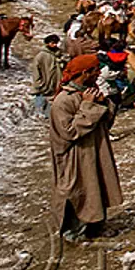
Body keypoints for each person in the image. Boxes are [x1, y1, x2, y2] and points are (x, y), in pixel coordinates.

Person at [49, 54, 122, 242]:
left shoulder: (91, 91)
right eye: (95, 70)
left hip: (96, 150)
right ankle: (74, 232)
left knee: (98, 186)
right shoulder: (63, 101)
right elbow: (69, 133)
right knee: (78, 190)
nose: (99, 73)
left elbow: (106, 122)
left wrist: (104, 103)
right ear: (85, 73)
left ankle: (97, 225)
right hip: (76, 156)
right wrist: (89, 106)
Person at [31, 34, 63, 118]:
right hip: (43, 84)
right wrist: (38, 83)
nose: (54, 45)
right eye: (52, 43)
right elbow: (35, 70)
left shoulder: (59, 54)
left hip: (55, 83)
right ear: (47, 43)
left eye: (56, 43)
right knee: (40, 103)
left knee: (51, 104)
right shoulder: (41, 55)